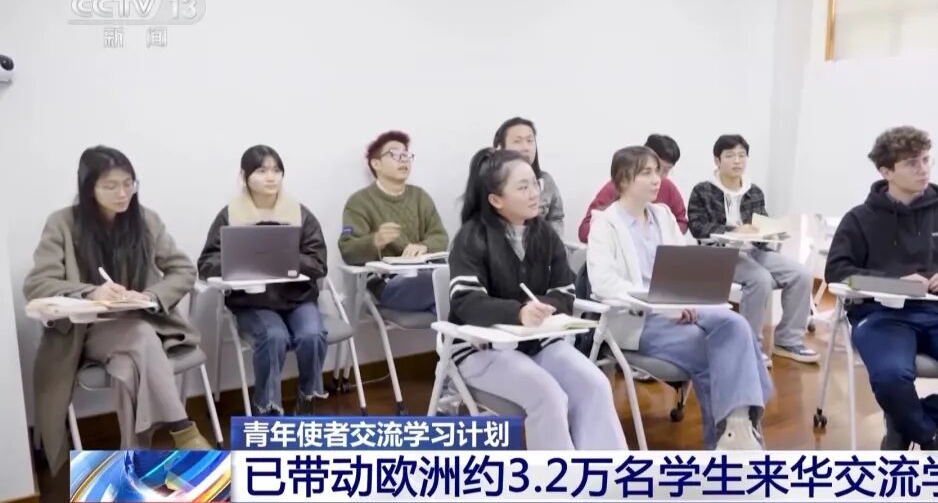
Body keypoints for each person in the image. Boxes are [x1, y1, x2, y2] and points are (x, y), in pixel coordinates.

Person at [24, 146, 211, 476]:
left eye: (128, 184)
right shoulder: (62, 223)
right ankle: (184, 430)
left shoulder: (146, 220)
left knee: (125, 369)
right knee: (140, 334)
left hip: (137, 326)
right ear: (89, 188)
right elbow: (38, 283)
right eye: (110, 185)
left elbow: (183, 269)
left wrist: (150, 296)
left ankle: (133, 461)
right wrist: (91, 292)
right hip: (84, 333)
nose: (122, 193)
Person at [825, 126, 938, 450]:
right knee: (890, 378)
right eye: (912, 163)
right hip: (880, 315)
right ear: (886, 171)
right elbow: (838, 273)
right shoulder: (859, 219)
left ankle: (906, 423)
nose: (923, 169)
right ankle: (928, 436)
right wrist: (892, 284)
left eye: (926, 160)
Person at [587, 145, 773, 450]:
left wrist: (685, 297)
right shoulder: (605, 224)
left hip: (682, 306)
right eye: (646, 173)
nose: (656, 179)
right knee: (716, 351)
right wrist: (661, 303)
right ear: (623, 181)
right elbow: (604, 284)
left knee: (737, 325)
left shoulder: (662, 215)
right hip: (638, 318)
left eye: (657, 172)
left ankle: (737, 427)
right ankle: (736, 437)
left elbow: (682, 263)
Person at [449, 147, 626, 450]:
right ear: (496, 200)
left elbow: (565, 291)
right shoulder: (471, 238)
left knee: (594, 384)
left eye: (535, 183)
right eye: (523, 187)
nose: (535, 194)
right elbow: (466, 301)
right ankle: (557, 477)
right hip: (480, 350)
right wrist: (518, 312)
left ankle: (606, 473)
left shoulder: (545, 235)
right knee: (549, 396)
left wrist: (545, 308)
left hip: (537, 343)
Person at [197, 145, 329, 416]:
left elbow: (318, 263)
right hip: (253, 301)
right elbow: (206, 265)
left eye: (276, 170)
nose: (271, 177)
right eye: (261, 170)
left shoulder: (300, 214)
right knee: (273, 336)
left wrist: (286, 257)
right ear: (244, 176)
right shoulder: (230, 215)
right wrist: (244, 259)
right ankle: (267, 411)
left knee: (312, 335)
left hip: (298, 298)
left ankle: (307, 399)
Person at [687, 134, 818, 365]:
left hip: (754, 251)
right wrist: (733, 230)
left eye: (742, 155)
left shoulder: (753, 191)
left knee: (801, 274)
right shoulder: (703, 190)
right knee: (760, 279)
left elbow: (761, 224)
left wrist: (770, 232)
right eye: (730, 156)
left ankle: (788, 340)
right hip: (720, 254)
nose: (737, 161)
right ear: (717, 160)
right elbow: (697, 227)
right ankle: (749, 346)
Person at [339, 130, 448, 313]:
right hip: (388, 283)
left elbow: (440, 236)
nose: (403, 160)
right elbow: (348, 250)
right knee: (444, 285)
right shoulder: (359, 202)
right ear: (376, 164)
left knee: (460, 281)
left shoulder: (420, 197)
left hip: (425, 273)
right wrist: (375, 241)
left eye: (406, 155)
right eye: (395, 155)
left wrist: (424, 246)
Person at [578, 134, 688, 243]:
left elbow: (681, 221)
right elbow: (584, 231)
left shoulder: (664, 208)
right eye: (647, 172)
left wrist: (662, 233)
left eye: (666, 170)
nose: (657, 179)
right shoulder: (614, 190)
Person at [493, 116, 565, 237]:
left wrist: (556, 243)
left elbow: (556, 217)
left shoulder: (546, 181)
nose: (526, 148)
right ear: (501, 147)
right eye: (517, 141)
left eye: (530, 141)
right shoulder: (491, 181)